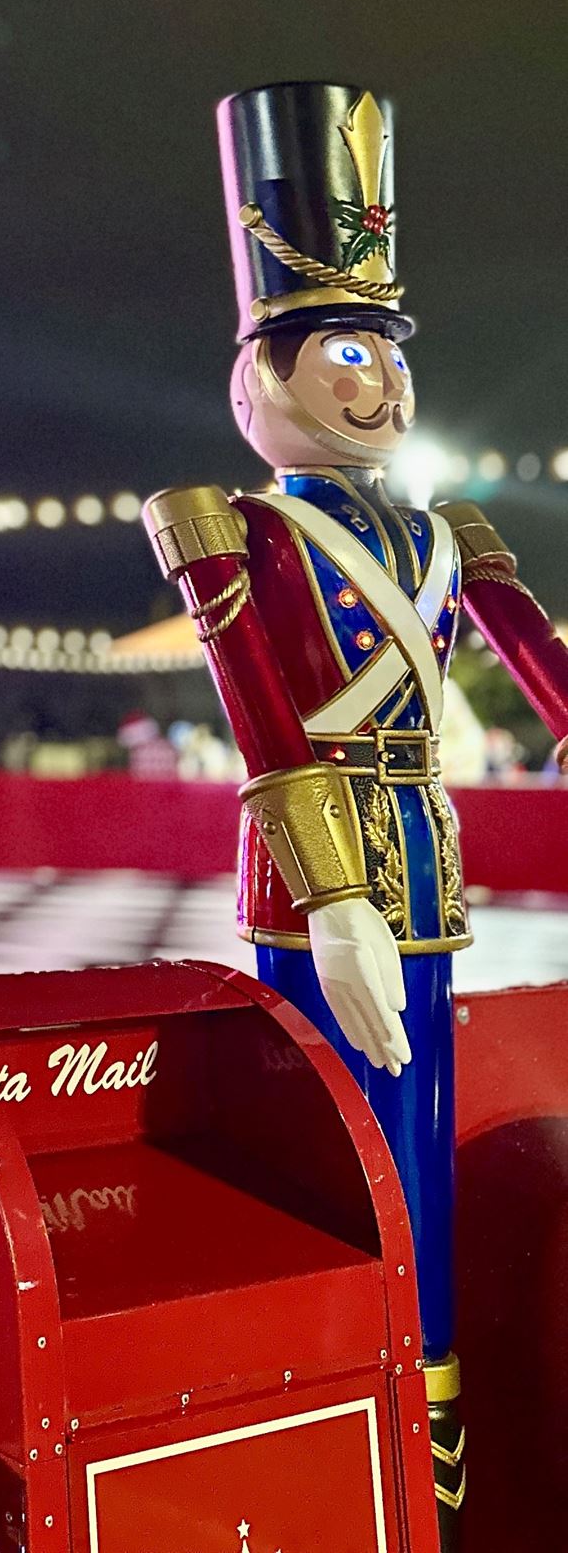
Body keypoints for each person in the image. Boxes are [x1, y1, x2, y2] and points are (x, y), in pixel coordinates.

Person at [145, 81, 568, 1547]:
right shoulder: (235, 525)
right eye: (341, 348)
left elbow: (545, 675)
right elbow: (261, 716)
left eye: (387, 349)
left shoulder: (451, 530)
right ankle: (338, 1445)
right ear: (258, 372)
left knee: (424, 1164)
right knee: (332, 1164)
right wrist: (328, 898)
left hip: (426, 867)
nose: (377, 381)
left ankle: (425, 1478)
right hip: (308, 870)